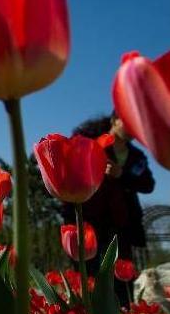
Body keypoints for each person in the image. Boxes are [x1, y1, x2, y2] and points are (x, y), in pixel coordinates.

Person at [65, 112, 155, 304]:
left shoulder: (137, 156)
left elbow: (148, 184)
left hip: (123, 221)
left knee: (122, 273)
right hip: (92, 217)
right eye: (128, 122)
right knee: (89, 271)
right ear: (114, 120)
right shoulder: (91, 144)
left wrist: (121, 174)